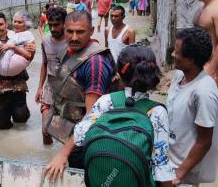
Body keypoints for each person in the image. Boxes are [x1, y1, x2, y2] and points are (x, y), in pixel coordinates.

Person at [45, 45, 174, 186]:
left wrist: (62, 154)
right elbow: (161, 165)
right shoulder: (157, 111)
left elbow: (81, 133)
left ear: (119, 73)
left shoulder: (106, 101)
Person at [44, 11, 114, 143]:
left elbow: (92, 116)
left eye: (80, 32)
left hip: (89, 137)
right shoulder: (68, 51)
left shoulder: (95, 62)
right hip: (73, 129)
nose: (74, 38)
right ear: (64, 30)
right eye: (69, 31)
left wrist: (64, 153)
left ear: (92, 31)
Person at [168, 27, 218, 186]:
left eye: (177, 52)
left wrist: (179, 174)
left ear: (190, 59)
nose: (172, 54)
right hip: (169, 162)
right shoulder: (179, 76)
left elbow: (204, 141)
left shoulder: (203, 92)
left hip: (183, 173)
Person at [0, 12, 35, 130]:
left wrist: (33, 50)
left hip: (17, 81)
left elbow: (28, 57)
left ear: (6, 24)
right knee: (1, 124)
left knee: (21, 118)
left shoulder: (18, 35)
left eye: (1, 24)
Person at [35, 7, 68, 145]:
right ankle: (46, 158)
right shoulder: (45, 41)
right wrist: (39, 88)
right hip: (50, 90)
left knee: (66, 134)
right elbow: (44, 64)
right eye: (50, 24)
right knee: (45, 130)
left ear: (64, 23)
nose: (53, 28)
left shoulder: (72, 41)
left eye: (57, 24)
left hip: (68, 92)